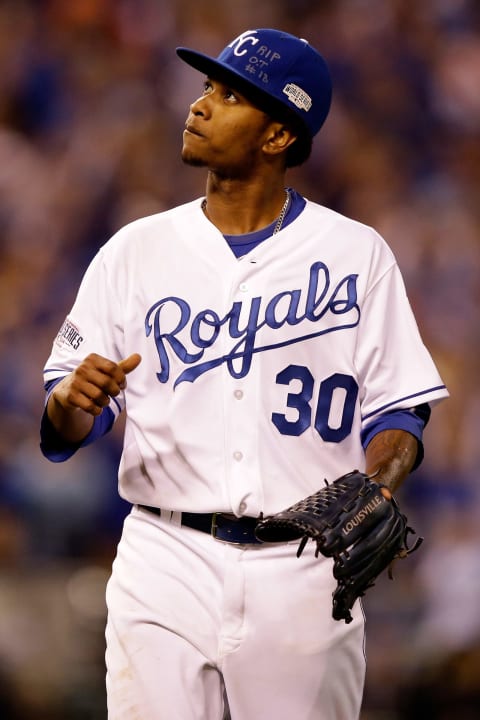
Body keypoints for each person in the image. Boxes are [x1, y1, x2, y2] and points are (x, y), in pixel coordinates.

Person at [40, 28, 448, 720]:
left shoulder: (356, 254)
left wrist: (380, 483)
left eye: (229, 95)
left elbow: (399, 410)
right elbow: (66, 419)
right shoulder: (135, 249)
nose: (200, 105)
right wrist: (70, 402)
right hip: (163, 556)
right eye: (207, 87)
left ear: (277, 136)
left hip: (301, 569)